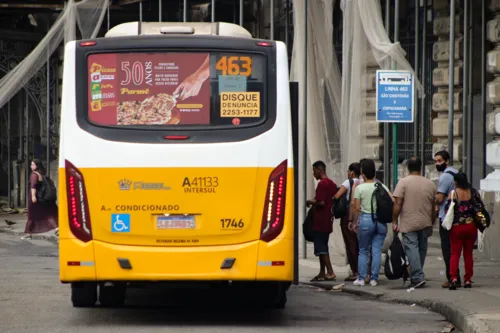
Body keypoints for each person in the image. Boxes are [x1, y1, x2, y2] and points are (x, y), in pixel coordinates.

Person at [392, 157, 436, 289]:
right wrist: (432, 222)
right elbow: (434, 206)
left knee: (411, 248)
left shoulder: (403, 182)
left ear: (407, 168)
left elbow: (398, 203)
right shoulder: (430, 184)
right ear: (421, 167)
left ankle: (417, 276)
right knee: (421, 249)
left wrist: (394, 220)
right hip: (425, 221)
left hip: (409, 222)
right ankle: (417, 273)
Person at [351, 159, 391, 286]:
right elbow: (391, 199)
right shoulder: (381, 186)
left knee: (363, 250)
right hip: (380, 221)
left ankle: (362, 278)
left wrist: (354, 222)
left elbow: (356, 208)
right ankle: (374, 279)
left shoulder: (359, 188)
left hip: (366, 219)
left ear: (362, 174)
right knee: (376, 250)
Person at [445, 173, 482, 290]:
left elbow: (447, 210)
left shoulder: (453, 193)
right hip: (471, 227)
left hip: (457, 227)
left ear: (456, 182)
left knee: (455, 253)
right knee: (468, 254)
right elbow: (479, 207)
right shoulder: (473, 192)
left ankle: (454, 278)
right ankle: (467, 279)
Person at [307, 160, 338, 282]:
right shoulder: (331, 183)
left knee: (321, 246)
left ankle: (330, 272)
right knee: (322, 246)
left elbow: (321, 202)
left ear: (320, 170)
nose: (313, 174)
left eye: (314, 171)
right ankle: (322, 272)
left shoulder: (322, 184)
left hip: (321, 220)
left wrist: (310, 202)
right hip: (328, 219)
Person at [434, 150, 460, 288]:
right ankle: (457, 276)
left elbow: (440, 198)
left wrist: (434, 201)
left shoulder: (445, 177)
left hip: (446, 217)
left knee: (447, 249)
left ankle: (452, 278)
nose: (437, 164)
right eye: (436, 161)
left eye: (439, 161)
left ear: (447, 161)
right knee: (454, 249)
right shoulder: (456, 173)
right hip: (457, 216)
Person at [334, 162, 361, 281]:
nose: (347, 173)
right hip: (361, 215)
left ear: (352, 172)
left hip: (348, 216)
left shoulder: (348, 182)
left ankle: (355, 271)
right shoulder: (361, 181)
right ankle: (361, 270)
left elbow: (337, 196)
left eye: (348, 171)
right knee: (358, 245)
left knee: (350, 245)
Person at [22, 159, 58, 240]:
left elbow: (33, 186)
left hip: (35, 198)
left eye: (33, 165)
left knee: (31, 216)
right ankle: (56, 228)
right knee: (48, 214)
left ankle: (28, 234)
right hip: (42, 198)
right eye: (31, 165)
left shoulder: (34, 175)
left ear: (37, 166)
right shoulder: (42, 174)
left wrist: (33, 196)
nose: (31, 166)